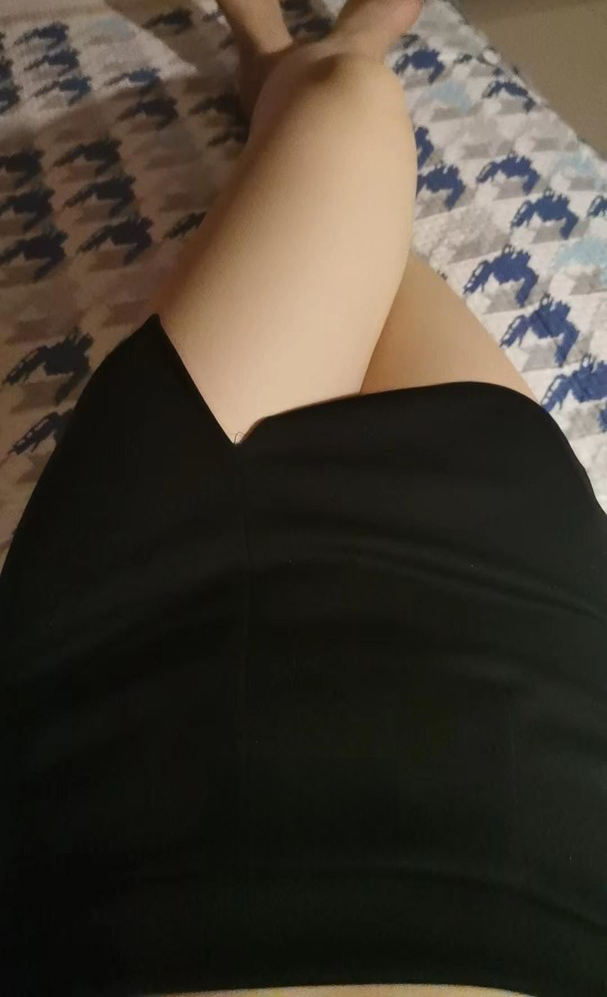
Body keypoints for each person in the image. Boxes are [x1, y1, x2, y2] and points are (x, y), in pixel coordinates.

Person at [1, 1, 606, 995]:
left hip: (155, 649)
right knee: (359, 175)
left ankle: (281, 60)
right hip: (526, 657)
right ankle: (300, 62)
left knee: (344, 111)